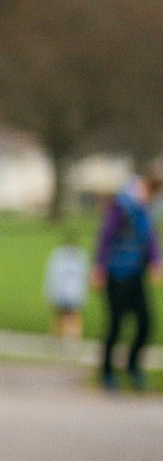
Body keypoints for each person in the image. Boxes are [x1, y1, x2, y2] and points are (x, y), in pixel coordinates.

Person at [93, 166, 160, 391]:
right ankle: (107, 374)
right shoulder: (123, 206)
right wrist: (99, 266)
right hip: (116, 273)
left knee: (145, 323)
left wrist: (155, 261)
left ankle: (133, 367)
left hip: (135, 274)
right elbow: (106, 235)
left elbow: (149, 237)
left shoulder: (143, 210)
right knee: (115, 324)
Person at [42, 231, 88, 344]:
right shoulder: (64, 256)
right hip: (65, 291)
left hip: (70, 291)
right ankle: (60, 338)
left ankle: (70, 339)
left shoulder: (74, 256)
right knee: (62, 316)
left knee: (70, 315)